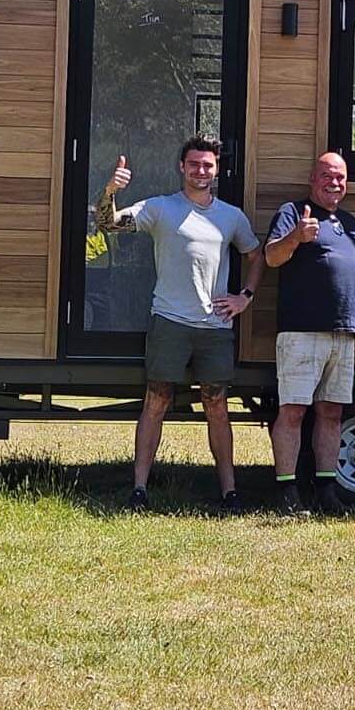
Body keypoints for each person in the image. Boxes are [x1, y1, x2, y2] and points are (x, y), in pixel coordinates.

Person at [96, 135, 263, 513]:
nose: (201, 171)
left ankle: (230, 493)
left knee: (216, 405)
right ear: (181, 167)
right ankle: (139, 489)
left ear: (216, 170)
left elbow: (257, 256)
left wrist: (244, 298)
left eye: (208, 165)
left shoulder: (231, 216)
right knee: (157, 400)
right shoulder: (160, 208)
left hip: (215, 327)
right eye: (194, 164)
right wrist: (110, 190)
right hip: (169, 321)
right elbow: (107, 224)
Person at [264, 152, 355, 516]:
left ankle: (327, 491)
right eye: (328, 175)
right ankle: (286, 493)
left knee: (331, 413)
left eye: (341, 177)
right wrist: (297, 236)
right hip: (301, 330)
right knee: (293, 412)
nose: (335, 182)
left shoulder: (350, 222)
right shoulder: (292, 212)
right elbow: (271, 258)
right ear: (313, 178)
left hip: (343, 332)